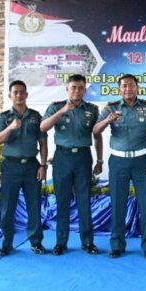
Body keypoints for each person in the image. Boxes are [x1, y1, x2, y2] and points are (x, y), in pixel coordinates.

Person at [95, 74, 146, 259]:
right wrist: (107, 120)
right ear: (119, 89)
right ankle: (117, 245)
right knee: (117, 204)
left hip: (142, 162)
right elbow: (95, 130)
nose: (128, 89)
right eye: (124, 86)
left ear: (137, 87)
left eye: (131, 85)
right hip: (118, 162)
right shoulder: (111, 107)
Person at [40, 74, 101, 256]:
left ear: (85, 90)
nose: (77, 91)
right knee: (62, 200)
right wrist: (62, 111)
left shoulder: (92, 109)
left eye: (81, 88)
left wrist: (99, 160)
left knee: (84, 200)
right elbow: (43, 127)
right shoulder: (56, 107)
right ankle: (61, 242)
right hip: (62, 157)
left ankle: (88, 242)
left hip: (83, 157)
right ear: (67, 89)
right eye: (73, 87)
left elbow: (97, 136)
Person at [0, 80, 48, 256]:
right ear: (10, 95)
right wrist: (10, 127)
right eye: (15, 92)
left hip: (32, 165)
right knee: (7, 206)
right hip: (10, 166)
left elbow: (43, 142)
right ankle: (6, 243)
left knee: (34, 205)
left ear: (26, 95)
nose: (18, 95)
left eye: (21, 92)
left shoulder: (35, 116)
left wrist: (43, 165)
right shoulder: (4, 117)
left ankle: (36, 242)